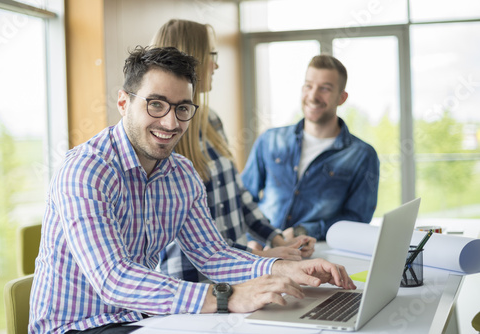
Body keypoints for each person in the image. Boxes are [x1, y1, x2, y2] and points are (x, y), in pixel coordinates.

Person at [29, 46, 355, 334]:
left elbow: (213, 256)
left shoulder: (183, 174)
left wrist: (285, 267)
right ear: (123, 102)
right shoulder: (85, 170)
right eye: (156, 105)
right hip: (77, 327)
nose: (171, 124)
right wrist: (227, 296)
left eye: (182, 108)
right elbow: (113, 279)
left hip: (141, 319)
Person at [150, 19, 315, 282]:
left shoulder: (211, 120)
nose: (215, 65)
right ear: (192, 59)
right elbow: (191, 240)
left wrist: (278, 238)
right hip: (195, 288)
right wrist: (264, 257)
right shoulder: (163, 139)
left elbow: (237, 195)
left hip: (236, 275)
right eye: (211, 55)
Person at [242, 54, 380, 243]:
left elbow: (357, 220)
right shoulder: (270, 140)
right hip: (261, 254)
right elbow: (243, 197)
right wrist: (252, 239)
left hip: (316, 256)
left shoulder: (362, 155)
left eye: (325, 89)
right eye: (308, 86)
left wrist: (302, 232)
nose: (313, 96)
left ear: (342, 97)